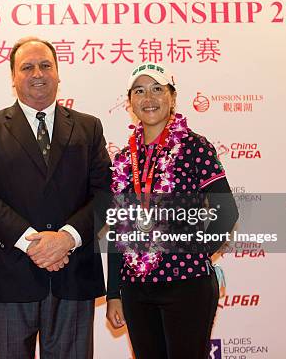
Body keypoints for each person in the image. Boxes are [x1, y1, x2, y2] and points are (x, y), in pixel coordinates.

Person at [0, 37, 112, 359]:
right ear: (13, 77)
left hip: (73, 274)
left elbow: (105, 194)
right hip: (8, 276)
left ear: (58, 74)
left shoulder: (89, 128)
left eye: (45, 65)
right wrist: (32, 242)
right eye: (27, 67)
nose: (37, 73)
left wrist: (66, 239)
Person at [105, 63, 238, 359]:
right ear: (130, 103)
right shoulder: (125, 159)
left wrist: (195, 253)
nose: (148, 98)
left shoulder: (195, 147)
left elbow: (226, 210)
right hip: (137, 288)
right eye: (139, 91)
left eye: (157, 89)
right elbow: (117, 230)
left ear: (172, 98)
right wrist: (114, 292)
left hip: (186, 284)